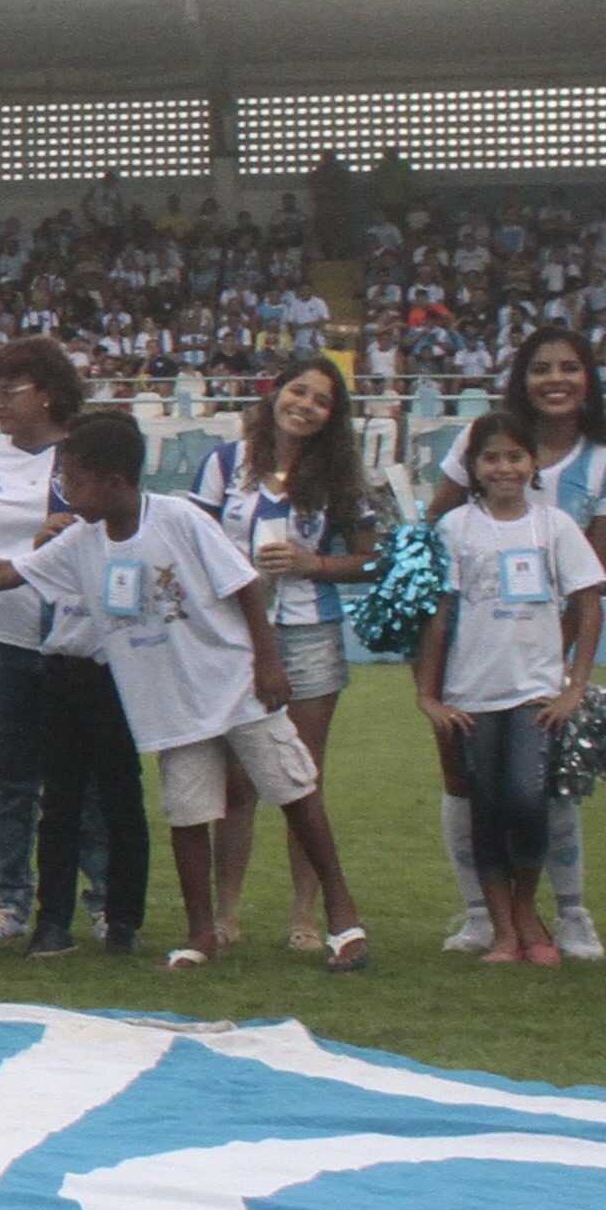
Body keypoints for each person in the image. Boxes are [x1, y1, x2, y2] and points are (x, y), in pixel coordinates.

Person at [0, 408, 365, 973]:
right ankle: (200, 936)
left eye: (72, 479)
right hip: (172, 705)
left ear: (113, 482)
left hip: (235, 685)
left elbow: (243, 586)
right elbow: (11, 571)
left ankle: (344, 918)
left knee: (294, 790)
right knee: (188, 813)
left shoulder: (179, 519)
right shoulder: (82, 542)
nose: (64, 490)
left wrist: (266, 661)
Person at [425, 327, 606, 959]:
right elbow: (431, 548)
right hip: (471, 671)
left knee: (543, 791)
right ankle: (485, 918)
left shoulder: (605, 464)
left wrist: (565, 670)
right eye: (541, 367)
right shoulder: (479, 442)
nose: (556, 379)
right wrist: (427, 684)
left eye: (571, 367)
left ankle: (565, 915)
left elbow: (588, 587)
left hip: (542, 672)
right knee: (472, 791)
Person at [193, 348, 378, 958]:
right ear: (275, 393)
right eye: (299, 391)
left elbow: (373, 559)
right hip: (235, 636)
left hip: (309, 634)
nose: (306, 406)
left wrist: (312, 564)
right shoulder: (226, 463)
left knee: (303, 779)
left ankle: (305, 913)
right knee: (238, 780)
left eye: (322, 400)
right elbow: (192, 542)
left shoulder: (341, 478)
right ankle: (226, 912)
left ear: (333, 416)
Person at [414, 417, 600, 968]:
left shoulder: (555, 526)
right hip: (472, 695)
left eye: (516, 456)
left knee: (526, 798)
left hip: (535, 694)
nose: (504, 468)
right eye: (492, 458)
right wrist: (429, 694)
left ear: (533, 465)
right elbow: (437, 615)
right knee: (487, 808)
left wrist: (576, 685)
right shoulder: (455, 528)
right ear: (473, 468)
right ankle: (502, 929)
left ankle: (525, 912)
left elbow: (588, 606)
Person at [0, 336, 97, 950]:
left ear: (45, 392)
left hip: (71, 641)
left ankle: (103, 898)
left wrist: (50, 542)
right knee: (13, 777)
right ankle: (9, 899)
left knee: (83, 775)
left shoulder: (80, 452)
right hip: (1, 637)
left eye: (7, 392)